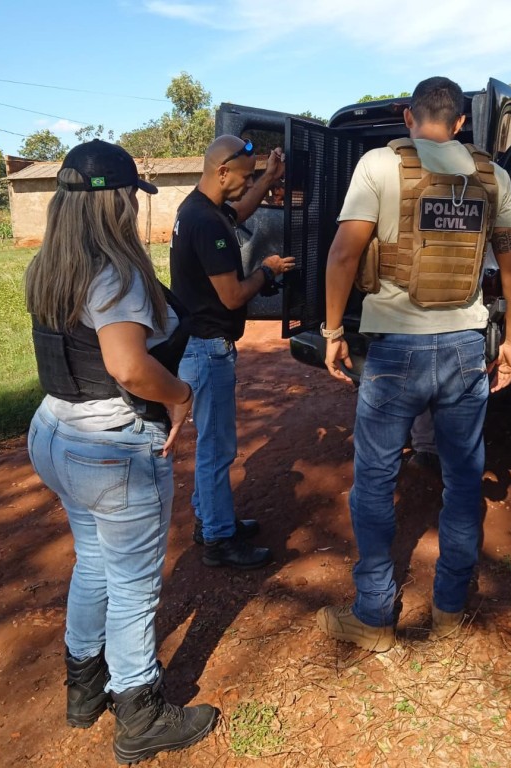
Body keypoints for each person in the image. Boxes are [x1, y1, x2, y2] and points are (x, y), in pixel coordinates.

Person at [317, 77, 511, 651]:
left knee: (374, 479)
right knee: (463, 480)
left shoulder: (379, 166)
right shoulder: (492, 175)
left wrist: (333, 331)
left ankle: (373, 615)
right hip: (464, 347)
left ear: (409, 117)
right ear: (460, 122)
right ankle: (450, 609)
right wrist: (510, 341)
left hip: (395, 348)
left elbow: (344, 253)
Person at [25, 140, 218, 764]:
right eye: (133, 194)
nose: (137, 204)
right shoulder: (115, 272)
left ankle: (84, 689)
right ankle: (140, 712)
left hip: (54, 431)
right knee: (133, 585)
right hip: (110, 444)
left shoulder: (49, 266)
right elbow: (129, 367)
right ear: (118, 201)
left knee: (94, 563)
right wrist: (181, 396)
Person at [170, 136, 295, 569]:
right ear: (222, 172)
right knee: (216, 449)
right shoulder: (205, 223)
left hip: (200, 344)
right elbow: (233, 296)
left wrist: (268, 177)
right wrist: (267, 270)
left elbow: (240, 211)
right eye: (243, 177)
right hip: (207, 349)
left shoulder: (199, 208)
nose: (246, 184)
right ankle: (219, 540)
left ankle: (210, 519)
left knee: (212, 443)